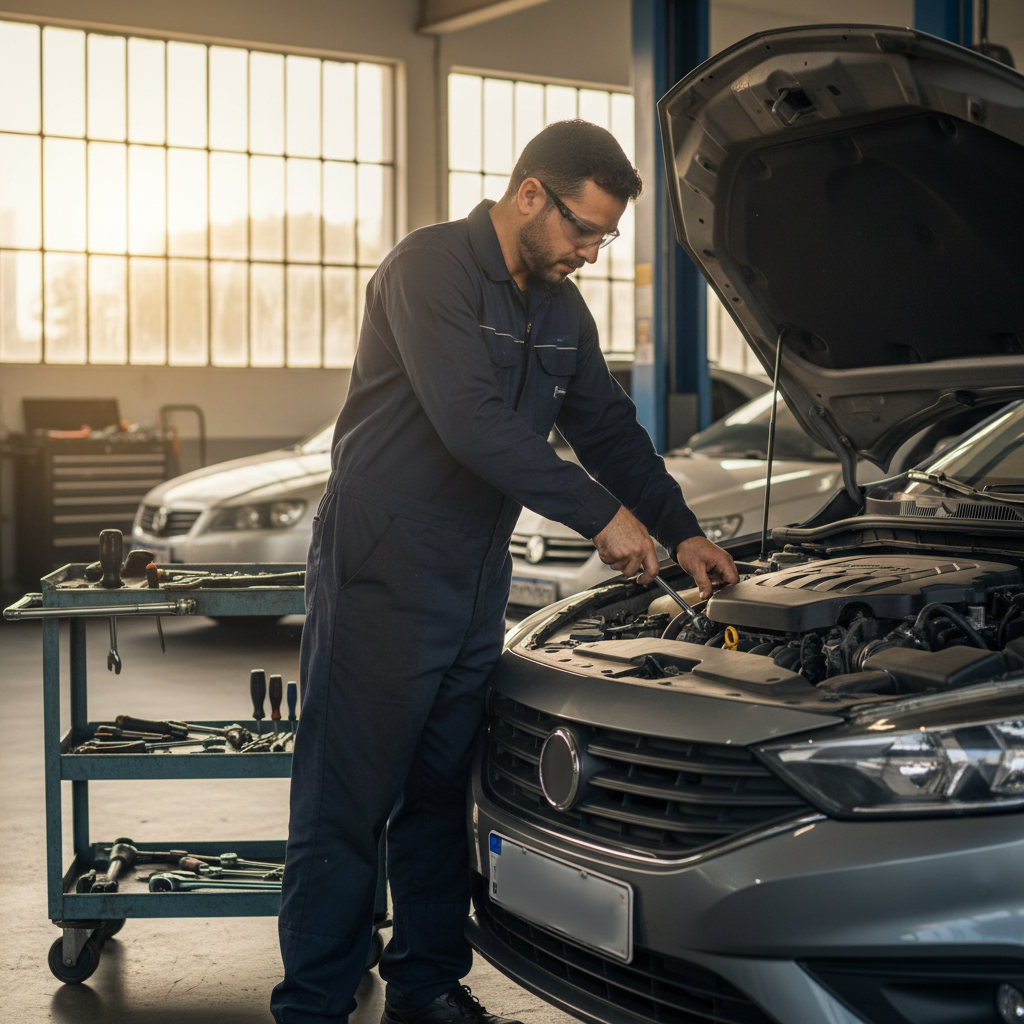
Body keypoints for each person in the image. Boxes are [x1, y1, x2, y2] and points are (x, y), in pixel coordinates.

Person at [270, 119, 739, 1024]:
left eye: (605, 237)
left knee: (443, 794)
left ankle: (427, 987)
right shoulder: (428, 270)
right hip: (384, 563)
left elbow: (605, 426)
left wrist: (682, 531)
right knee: (347, 801)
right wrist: (599, 515)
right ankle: (314, 1006)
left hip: (475, 575)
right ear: (531, 194)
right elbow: (471, 420)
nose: (592, 253)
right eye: (582, 230)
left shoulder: (562, 306)